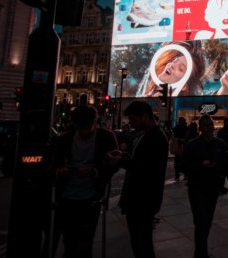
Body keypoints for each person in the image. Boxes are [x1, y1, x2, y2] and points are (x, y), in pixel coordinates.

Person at [48, 105, 120, 258]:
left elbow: (114, 164)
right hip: (67, 198)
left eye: (88, 127)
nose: (85, 131)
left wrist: (95, 172)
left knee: (85, 243)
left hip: (91, 198)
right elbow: (52, 168)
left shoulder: (106, 137)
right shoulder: (63, 140)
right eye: (81, 128)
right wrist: (62, 172)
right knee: (69, 241)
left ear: (95, 122)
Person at [116, 101, 169, 257]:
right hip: (142, 200)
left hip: (143, 200)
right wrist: (123, 156)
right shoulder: (148, 135)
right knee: (141, 243)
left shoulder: (156, 137)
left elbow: (143, 168)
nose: (132, 124)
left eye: (133, 120)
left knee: (142, 245)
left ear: (145, 117)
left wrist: (120, 161)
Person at [182, 115, 228, 258]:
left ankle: (200, 249)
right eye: (206, 125)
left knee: (207, 221)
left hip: (213, 187)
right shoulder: (192, 145)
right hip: (196, 188)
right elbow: (183, 166)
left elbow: (227, 165)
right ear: (200, 128)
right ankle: (201, 253)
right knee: (200, 221)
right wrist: (200, 165)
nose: (209, 128)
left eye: (211, 125)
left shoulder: (220, 144)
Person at [138, 41, 206, 97]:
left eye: (181, 68)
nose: (173, 65)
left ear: (184, 86)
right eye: (174, 61)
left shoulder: (178, 109)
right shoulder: (145, 96)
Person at [217, 117, 228, 193]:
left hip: (226, 154)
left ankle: (221, 186)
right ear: (226, 122)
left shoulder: (227, 131)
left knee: (224, 172)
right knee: (222, 172)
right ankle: (220, 187)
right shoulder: (222, 132)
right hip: (223, 154)